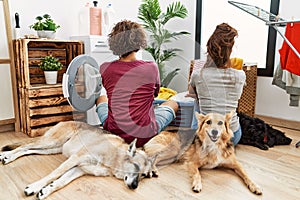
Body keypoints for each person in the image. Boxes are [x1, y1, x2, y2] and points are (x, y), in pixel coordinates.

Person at [96, 20, 178, 148]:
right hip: (144, 135)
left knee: (101, 98)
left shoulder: (105, 68)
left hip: (114, 133)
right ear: (139, 42)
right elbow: (155, 94)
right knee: (173, 103)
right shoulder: (151, 67)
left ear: (114, 43)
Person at [188, 23, 246, 145]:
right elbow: (238, 98)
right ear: (229, 51)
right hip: (231, 136)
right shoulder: (240, 75)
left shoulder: (198, 74)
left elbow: (191, 93)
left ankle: (198, 134)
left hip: (204, 136)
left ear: (209, 49)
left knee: (196, 100)